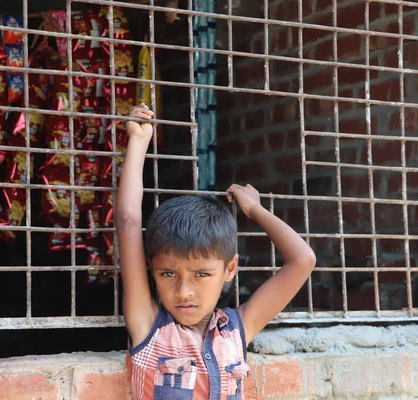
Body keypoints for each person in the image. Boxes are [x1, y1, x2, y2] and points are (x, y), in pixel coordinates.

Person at [116, 104, 316, 399]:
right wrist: (138, 141)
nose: (184, 291)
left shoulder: (237, 330)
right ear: (152, 269)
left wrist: (255, 210)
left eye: (202, 274)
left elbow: (303, 260)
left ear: (230, 270)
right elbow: (128, 221)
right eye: (168, 273)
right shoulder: (148, 326)